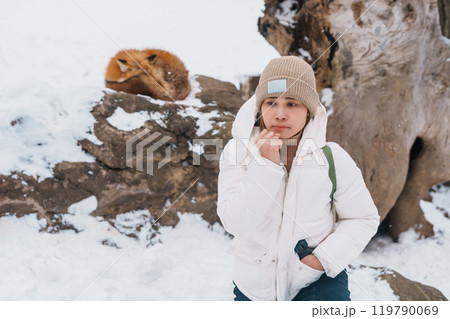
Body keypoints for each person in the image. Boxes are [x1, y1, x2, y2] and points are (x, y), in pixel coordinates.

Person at [216, 56, 380, 301]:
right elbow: (235, 224)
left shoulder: (332, 158)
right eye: (271, 102)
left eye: (292, 104)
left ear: (308, 111)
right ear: (260, 107)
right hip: (254, 288)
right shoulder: (236, 153)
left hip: (315, 281)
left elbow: (363, 218)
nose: (280, 114)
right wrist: (265, 165)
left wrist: (323, 260)